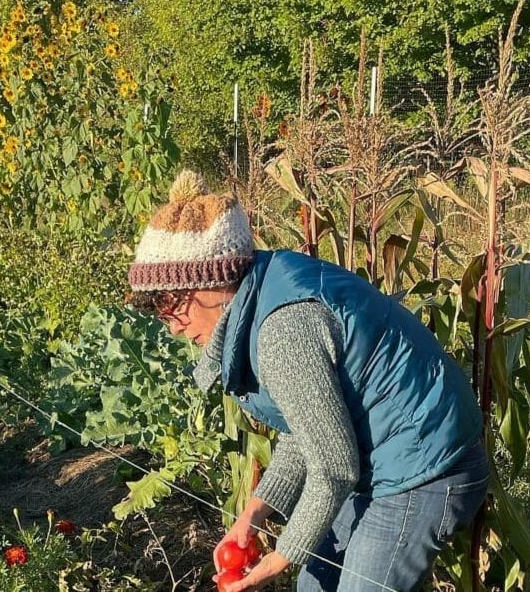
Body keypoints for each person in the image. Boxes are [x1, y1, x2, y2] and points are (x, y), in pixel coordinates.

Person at [127, 171, 489, 592]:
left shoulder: (282, 329)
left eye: (173, 306)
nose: (172, 327)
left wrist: (279, 559)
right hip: (382, 461)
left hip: (425, 468)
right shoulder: (264, 293)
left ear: (211, 282)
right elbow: (311, 427)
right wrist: (254, 514)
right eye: (159, 313)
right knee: (314, 586)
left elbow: (334, 466)